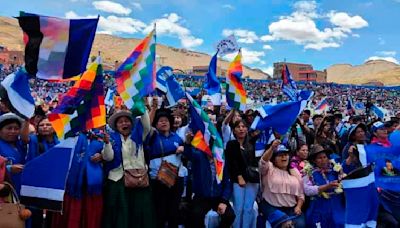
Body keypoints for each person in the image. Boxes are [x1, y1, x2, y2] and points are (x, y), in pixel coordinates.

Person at [102, 109, 155, 228]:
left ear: (132, 123)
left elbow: (146, 124)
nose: (124, 124)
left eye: (126, 121)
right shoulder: (111, 139)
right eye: (120, 122)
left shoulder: (138, 135)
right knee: (120, 214)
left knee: (139, 212)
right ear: (116, 126)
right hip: (118, 180)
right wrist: (106, 144)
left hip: (138, 180)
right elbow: (108, 157)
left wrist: (141, 106)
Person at [183, 131, 236, 228]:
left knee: (230, 216)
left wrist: (224, 201)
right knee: (195, 216)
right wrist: (187, 142)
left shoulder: (222, 161)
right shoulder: (199, 157)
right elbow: (188, 153)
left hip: (218, 197)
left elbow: (228, 183)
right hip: (202, 197)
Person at [147, 107, 184, 228]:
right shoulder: (152, 137)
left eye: (166, 120)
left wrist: (185, 147)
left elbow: (187, 154)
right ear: (155, 124)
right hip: (158, 180)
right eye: (160, 121)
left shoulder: (177, 137)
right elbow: (146, 126)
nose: (164, 122)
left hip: (176, 180)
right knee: (160, 213)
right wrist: (152, 107)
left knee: (174, 212)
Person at [257, 140, 305, 228]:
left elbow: (301, 194)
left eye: (286, 154)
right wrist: (272, 148)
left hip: (291, 208)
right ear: (274, 158)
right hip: (271, 207)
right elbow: (263, 161)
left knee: (300, 225)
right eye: (280, 155)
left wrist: (298, 207)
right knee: (284, 224)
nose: (284, 157)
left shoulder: (294, 172)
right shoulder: (269, 168)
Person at [225, 120, 259, 228]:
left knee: (248, 208)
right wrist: (239, 176)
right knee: (238, 208)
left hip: (252, 180)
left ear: (247, 129)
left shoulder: (252, 143)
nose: (241, 129)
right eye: (238, 127)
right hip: (238, 181)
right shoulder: (231, 144)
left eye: (243, 126)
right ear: (234, 130)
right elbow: (232, 163)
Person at [303, 144, 345, 227]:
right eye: (319, 158)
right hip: (319, 205)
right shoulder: (309, 173)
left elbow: (343, 182)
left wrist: (342, 178)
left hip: (336, 204)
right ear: (314, 160)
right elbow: (307, 190)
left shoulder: (335, 169)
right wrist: (327, 186)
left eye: (324, 157)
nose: (323, 160)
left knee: (339, 222)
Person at [0, 113, 26, 194]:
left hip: (22, 188)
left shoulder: (22, 144)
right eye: (9, 128)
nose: (13, 131)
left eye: (16, 128)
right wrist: (9, 169)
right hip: (5, 192)